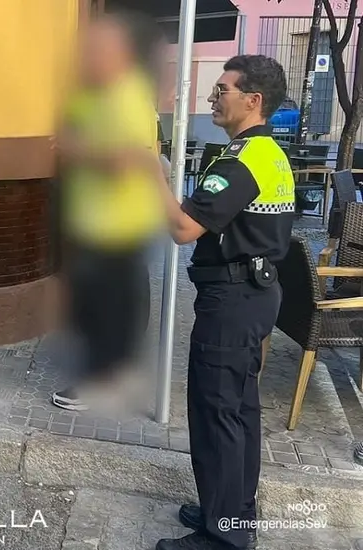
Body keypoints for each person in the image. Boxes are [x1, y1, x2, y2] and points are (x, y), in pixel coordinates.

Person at [150, 55, 294, 550]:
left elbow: (183, 228)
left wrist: (153, 172)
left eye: (222, 90)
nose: (213, 97)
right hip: (252, 294)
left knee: (217, 412)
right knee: (238, 411)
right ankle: (229, 509)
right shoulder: (267, 153)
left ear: (253, 101)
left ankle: (224, 536)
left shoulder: (241, 160)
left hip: (233, 300)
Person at [52, 12, 167, 412]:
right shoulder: (96, 93)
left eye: (96, 50)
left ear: (119, 53)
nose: (86, 57)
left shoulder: (129, 96)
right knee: (97, 306)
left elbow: (126, 160)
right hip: (95, 225)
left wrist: (77, 150)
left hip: (119, 227)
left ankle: (104, 383)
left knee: (111, 308)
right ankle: (109, 372)